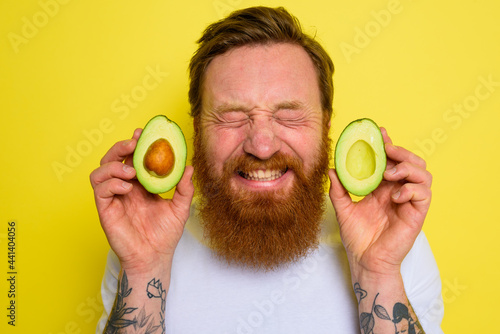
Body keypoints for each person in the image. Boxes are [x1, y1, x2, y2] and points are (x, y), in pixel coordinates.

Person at [91, 6, 444, 334]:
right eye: (231, 116)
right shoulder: (146, 244)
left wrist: (376, 272)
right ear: (197, 131)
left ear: (325, 126)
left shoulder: (390, 245)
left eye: (289, 114)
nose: (261, 146)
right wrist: (144, 270)